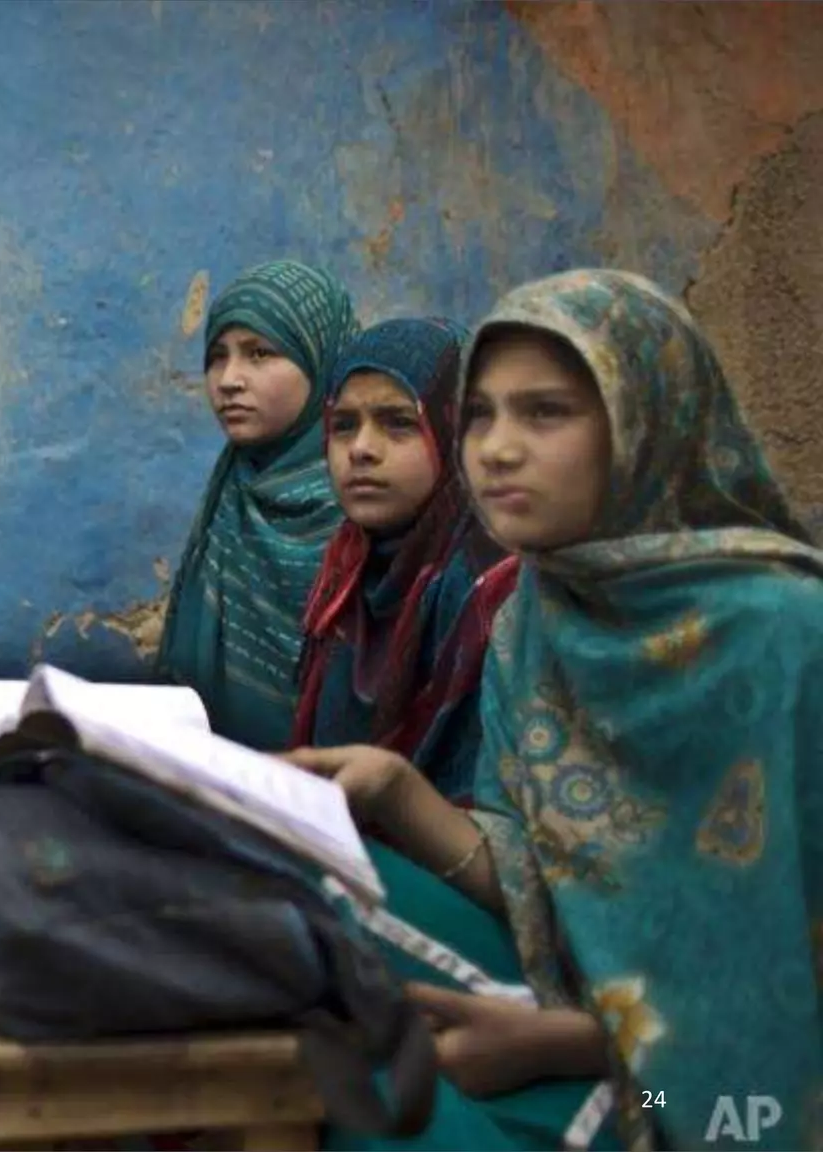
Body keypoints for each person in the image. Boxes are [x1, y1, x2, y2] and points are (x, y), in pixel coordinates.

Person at [288, 269, 822, 1150]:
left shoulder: (782, 633)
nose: (495, 449)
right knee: (296, 927)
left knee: (386, 1107)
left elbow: (781, 961)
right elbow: (559, 883)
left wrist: (570, 1045)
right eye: (482, 416)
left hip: (715, 1094)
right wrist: (390, 792)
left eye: (546, 413)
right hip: (580, 1008)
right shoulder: (537, 614)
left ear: (648, 425)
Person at [292, 318, 517, 803]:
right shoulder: (347, 562)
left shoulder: (489, 582)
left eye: (399, 423)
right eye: (343, 425)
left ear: (455, 430)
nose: (361, 451)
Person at [157, 259, 358, 750]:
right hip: (205, 780)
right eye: (216, 357)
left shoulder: (364, 502)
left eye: (260, 353)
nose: (229, 379)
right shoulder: (233, 487)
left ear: (322, 360)